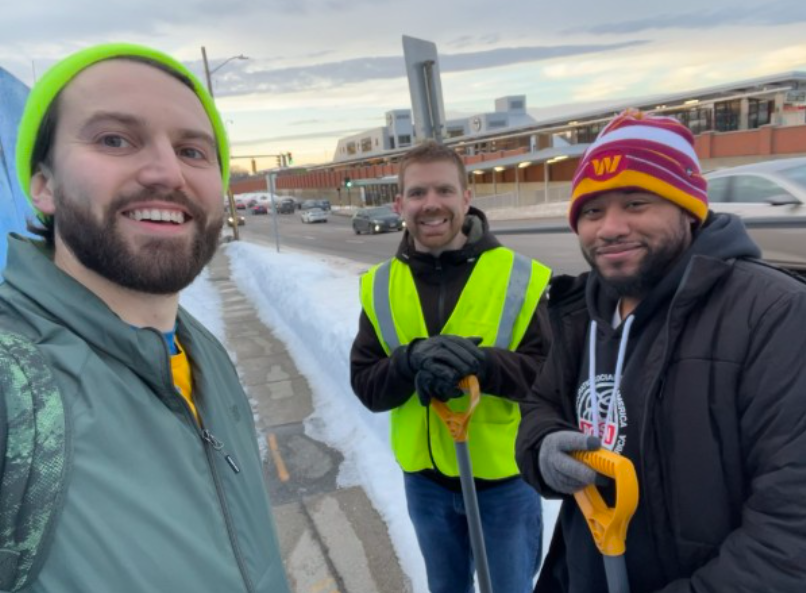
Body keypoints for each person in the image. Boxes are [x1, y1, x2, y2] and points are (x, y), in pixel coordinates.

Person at [1, 43, 290, 592]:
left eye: (194, 151)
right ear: (43, 185)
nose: (166, 172)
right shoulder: (14, 380)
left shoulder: (198, 350)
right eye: (114, 139)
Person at [515, 109, 806, 592]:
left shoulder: (774, 315)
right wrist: (542, 447)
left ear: (688, 209)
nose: (609, 228)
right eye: (592, 211)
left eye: (635, 203)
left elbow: (790, 528)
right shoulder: (579, 314)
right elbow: (540, 406)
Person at [350, 140, 552, 593]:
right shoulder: (380, 286)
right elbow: (366, 385)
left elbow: (549, 378)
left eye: (444, 190)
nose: (431, 204)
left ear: (466, 197)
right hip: (426, 488)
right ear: (400, 203)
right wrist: (408, 363)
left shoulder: (518, 276)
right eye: (418, 193)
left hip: (504, 487)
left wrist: (483, 364)